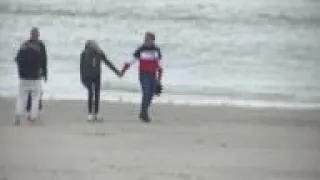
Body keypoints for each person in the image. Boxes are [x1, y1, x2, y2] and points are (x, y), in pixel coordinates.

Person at [121, 32, 163, 123]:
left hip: (153, 75)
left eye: (148, 39)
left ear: (153, 40)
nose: (146, 41)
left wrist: (159, 79)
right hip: (144, 75)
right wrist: (123, 71)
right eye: (145, 39)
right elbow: (131, 61)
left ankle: (143, 112)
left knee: (151, 95)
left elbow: (159, 65)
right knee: (146, 93)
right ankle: (144, 114)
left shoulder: (157, 50)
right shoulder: (141, 50)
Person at [80, 40, 122, 121]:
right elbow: (81, 67)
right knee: (91, 93)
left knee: (97, 94)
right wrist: (82, 78)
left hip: (97, 75)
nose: (92, 48)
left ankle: (96, 113)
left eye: (94, 46)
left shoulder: (100, 53)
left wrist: (117, 72)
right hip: (87, 76)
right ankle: (89, 113)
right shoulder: (84, 54)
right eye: (90, 47)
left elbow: (108, 63)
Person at [14, 27, 48, 125]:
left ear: (30, 35)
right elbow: (44, 61)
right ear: (38, 35)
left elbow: (17, 59)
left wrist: (20, 72)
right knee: (35, 97)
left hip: (23, 76)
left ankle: (18, 114)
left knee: (21, 96)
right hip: (35, 76)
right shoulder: (40, 45)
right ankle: (33, 117)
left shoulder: (24, 45)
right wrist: (45, 74)